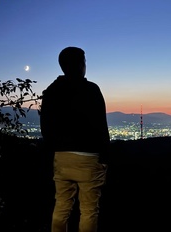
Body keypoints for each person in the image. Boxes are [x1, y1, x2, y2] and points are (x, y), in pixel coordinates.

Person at [40, 46, 110, 232]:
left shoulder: (51, 92)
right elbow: (101, 127)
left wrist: (53, 154)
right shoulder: (91, 90)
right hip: (89, 159)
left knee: (62, 206)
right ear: (81, 65)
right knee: (88, 210)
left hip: (62, 158)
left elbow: (46, 129)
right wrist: (105, 158)